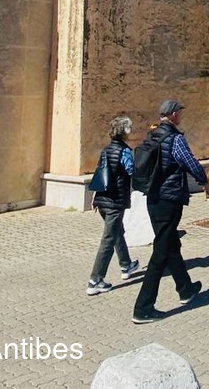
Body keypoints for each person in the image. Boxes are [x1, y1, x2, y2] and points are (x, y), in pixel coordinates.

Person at [132, 100, 209, 324]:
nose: (181, 116)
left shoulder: (153, 136)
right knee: (160, 253)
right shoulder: (175, 138)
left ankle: (186, 289)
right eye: (180, 113)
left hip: (153, 198)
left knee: (171, 245)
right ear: (174, 114)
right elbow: (189, 162)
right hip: (169, 199)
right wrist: (205, 181)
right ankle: (143, 308)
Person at [87, 115, 141, 296]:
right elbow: (132, 171)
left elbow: (100, 172)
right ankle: (95, 280)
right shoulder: (124, 151)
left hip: (102, 199)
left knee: (117, 232)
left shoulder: (106, 150)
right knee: (108, 240)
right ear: (125, 131)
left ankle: (126, 265)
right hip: (115, 201)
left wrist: (95, 196)